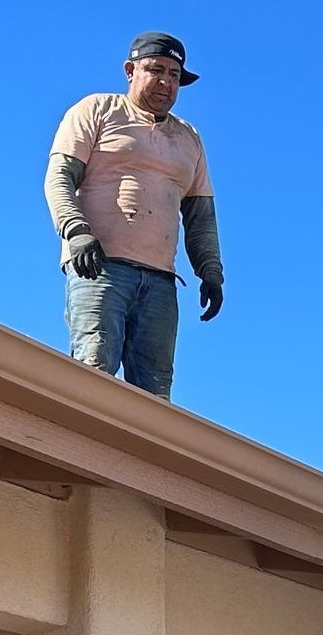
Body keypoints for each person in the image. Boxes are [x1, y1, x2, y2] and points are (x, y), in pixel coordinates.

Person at [43, 31, 224, 398]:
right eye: (156, 70)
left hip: (160, 281)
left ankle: (137, 457)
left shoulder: (188, 137)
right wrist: (76, 231)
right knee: (93, 372)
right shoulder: (96, 110)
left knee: (155, 393)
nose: (166, 82)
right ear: (130, 70)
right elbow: (59, 177)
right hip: (100, 267)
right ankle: (81, 454)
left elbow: (200, 214)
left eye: (175, 75)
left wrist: (211, 270)